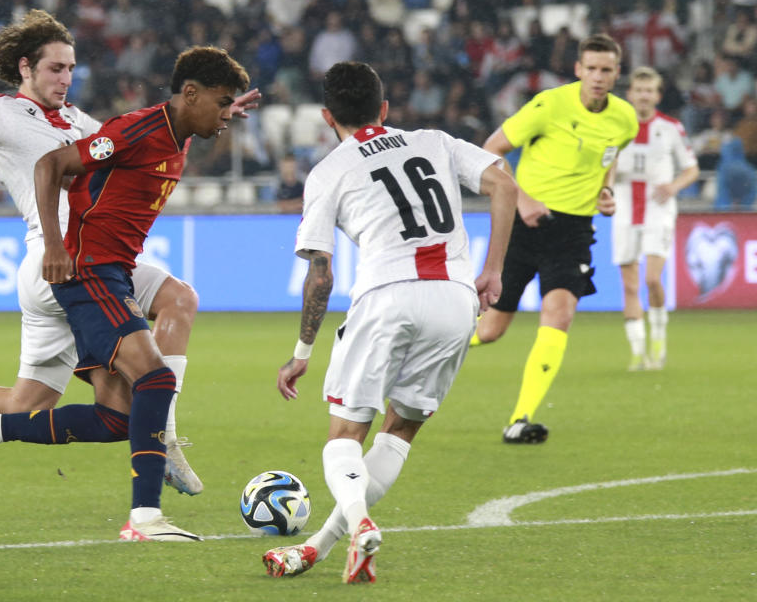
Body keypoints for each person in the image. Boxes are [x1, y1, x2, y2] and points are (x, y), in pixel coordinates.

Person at [0, 10, 259, 493]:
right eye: (55, 68)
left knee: (30, 401)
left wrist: (212, 110)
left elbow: (137, 135)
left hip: (87, 262)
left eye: (70, 69)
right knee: (174, 310)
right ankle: (164, 441)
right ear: (25, 67)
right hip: (58, 261)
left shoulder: (77, 121)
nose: (65, 78)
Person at [0, 46, 251, 542]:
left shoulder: (180, 133)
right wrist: (54, 243)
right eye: (221, 103)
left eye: (231, 106)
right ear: (190, 94)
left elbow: (199, 118)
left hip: (114, 272)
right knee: (155, 381)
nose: (227, 115)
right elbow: (52, 165)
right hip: (87, 270)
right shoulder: (139, 130)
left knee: (117, 418)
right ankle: (144, 518)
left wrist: (218, 112)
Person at [261, 62, 517, 583]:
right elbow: (504, 184)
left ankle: (359, 523)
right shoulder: (435, 141)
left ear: (328, 116)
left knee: (345, 436)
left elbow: (320, 274)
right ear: (384, 109)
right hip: (454, 300)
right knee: (398, 433)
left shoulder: (330, 170)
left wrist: (302, 353)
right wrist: (492, 271)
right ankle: (317, 547)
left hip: (387, 297)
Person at [471, 33, 639, 444]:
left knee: (559, 313)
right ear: (579, 69)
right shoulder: (549, 105)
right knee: (491, 329)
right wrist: (523, 199)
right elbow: (489, 152)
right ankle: (413, 353)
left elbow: (610, 158)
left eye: (607, 70)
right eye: (592, 69)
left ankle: (520, 419)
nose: (598, 77)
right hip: (525, 225)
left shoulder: (625, 119)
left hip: (574, 231)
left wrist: (606, 190)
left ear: (617, 74)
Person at [612, 67, 699, 371]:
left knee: (652, 279)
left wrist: (674, 186)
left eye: (650, 91)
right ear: (630, 94)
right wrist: (606, 187)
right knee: (630, 285)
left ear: (657, 95)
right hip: (623, 208)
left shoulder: (671, 127)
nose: (644, 96)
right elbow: (604, 165)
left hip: (658, 208)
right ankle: (638, 353)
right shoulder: (616, 126)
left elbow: (692, 168)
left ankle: (658, 337)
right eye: (639, 90)